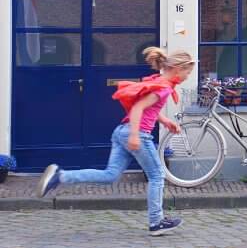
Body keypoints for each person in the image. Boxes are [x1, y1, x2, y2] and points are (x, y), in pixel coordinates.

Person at [37, 47, 195, 236]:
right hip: (137, 133)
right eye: (187, 72)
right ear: (177, 68)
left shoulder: (159, 83)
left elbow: (149, 109)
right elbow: (137, 108)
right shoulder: (163, 87)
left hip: (121, 131)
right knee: (157, 176)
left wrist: (165, 121)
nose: (187, 76)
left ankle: (60, 176)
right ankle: (156, 222)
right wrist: (135, 135)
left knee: (110, 175)